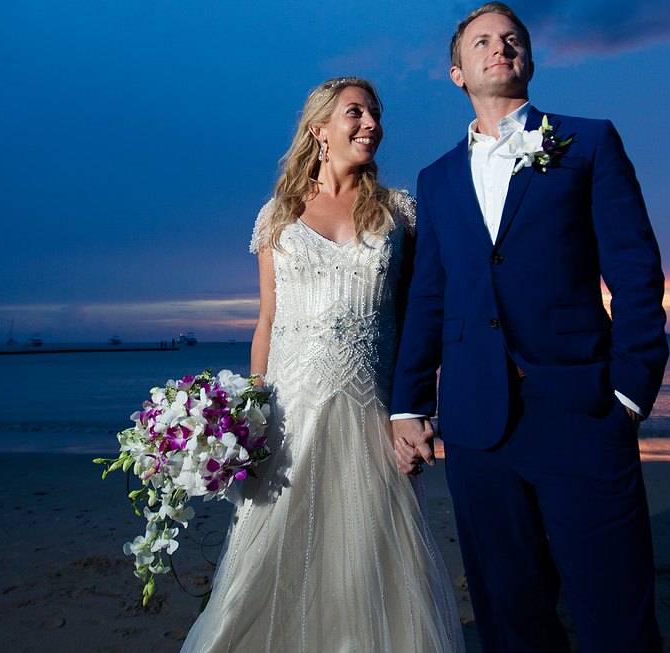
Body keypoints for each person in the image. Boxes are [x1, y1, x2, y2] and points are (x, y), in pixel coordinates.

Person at [390, 3, 668, 652]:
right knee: (510, 613)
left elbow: (635, 268)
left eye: (512, 39)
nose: (500, 47)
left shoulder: (586, 142)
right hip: (475, 422)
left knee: (615, 611)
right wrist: (409, 401)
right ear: (457, 72)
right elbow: (429, 295)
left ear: (530, 60)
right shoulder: (437, 180)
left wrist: (629, 389)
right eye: (482, 41)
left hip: (581, 408)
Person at [181, 77, 464, 653]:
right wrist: (249, 414)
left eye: (376, 114)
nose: (371, 124)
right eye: (355, 112)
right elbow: (266, 321)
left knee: (374, 551)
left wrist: (417, 406)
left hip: (372, 410)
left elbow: (416, 316)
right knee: (275, 547)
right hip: (292, 411)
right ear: (319, 129)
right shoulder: (278, 215)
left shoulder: (400, 212)